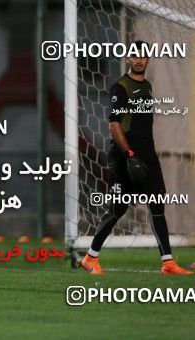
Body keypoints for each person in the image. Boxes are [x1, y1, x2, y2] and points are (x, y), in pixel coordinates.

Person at [81, 40, 192, 275]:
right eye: (135, 56)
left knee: (157, 205)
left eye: (144, 56)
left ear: (148, 59)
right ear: (128, 58)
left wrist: (143, 154)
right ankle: (90, 258)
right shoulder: (121, 87)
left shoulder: (148, 86)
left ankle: (168, 263)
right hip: (124, 158)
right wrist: (129, 154)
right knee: (116, 209)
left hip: (147, 157)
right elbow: (114, 125)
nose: (140, 60)